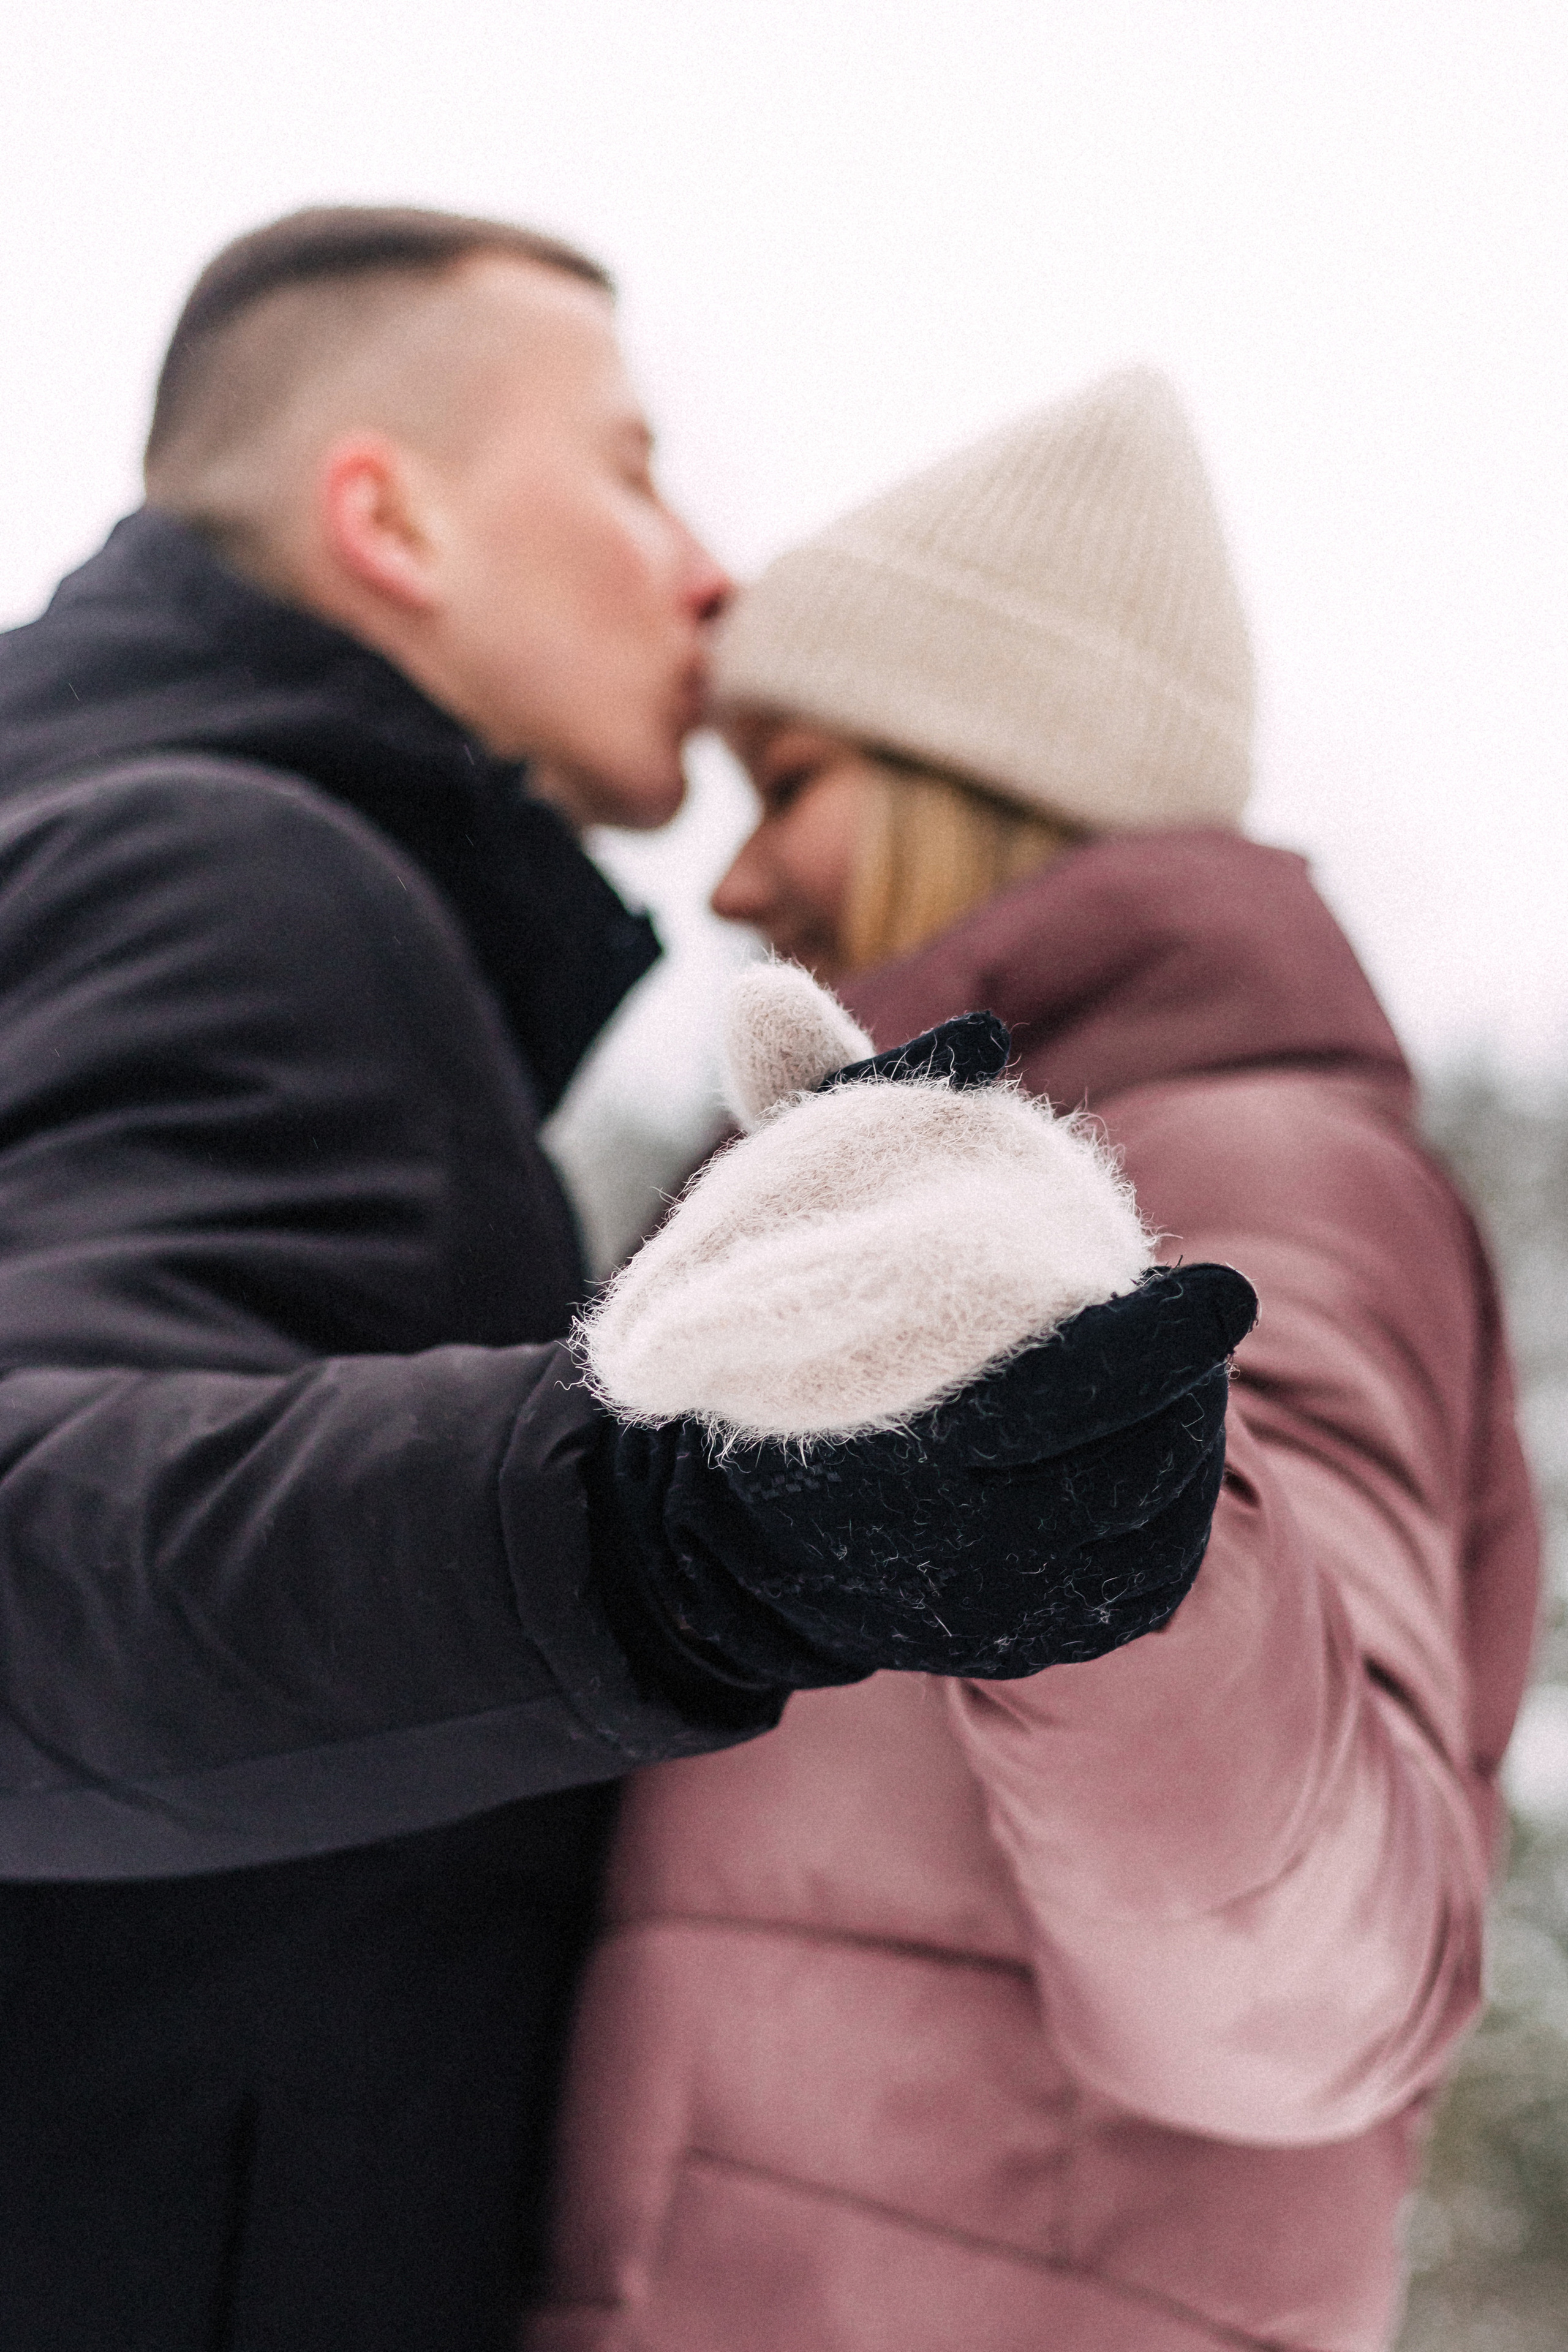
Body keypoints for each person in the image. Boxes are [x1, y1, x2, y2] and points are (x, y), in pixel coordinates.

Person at [0, 215, 1240, 2351]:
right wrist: (663, 1530)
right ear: (386, 516)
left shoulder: (137, 842)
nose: (707, 572)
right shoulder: (239, 872)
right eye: (635, 466)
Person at [527, 370, 1542, 2350]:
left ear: (982, 773)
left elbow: (1311, 1996)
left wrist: (1108, 1553)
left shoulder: (1246, 1168)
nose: (738, 885)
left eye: (795, 781)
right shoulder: (938, 1185)